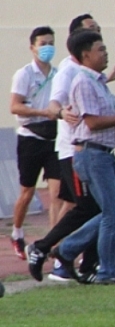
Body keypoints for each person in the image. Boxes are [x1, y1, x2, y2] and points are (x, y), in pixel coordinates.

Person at [26, 14, 115, 282]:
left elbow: (97, 109)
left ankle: (74, 256)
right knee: (93, 209)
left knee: (105, 208)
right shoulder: (71, 73)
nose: (103, 45)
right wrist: (62, 112)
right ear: (80, 48)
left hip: (98, 150)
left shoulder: (94, 78)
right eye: (93, 33)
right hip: (76, 149)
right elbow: (59, 106)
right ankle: (61, 254)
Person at [51, 30, 115, 285]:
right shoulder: (83, 82)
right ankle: (100, 268)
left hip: (103, 152)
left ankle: (71, 251)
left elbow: (103, 119)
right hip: (93, 153)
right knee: (112, 213)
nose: (106, 54)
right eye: (101, 49)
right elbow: (93, 123)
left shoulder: (97, 81)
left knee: (114, 212)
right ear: (86, 55)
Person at [9, 26, 60, 259]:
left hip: (53, 138)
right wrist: (42, 111)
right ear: (32, 47)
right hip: (30, 137)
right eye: (42, 43)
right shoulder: (25, 74)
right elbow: (15, 106)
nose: (47, 47)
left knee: (58, 191)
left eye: (51, 42)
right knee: (27, 191)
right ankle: (17, 232)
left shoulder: (58, 74)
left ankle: (53, 240)